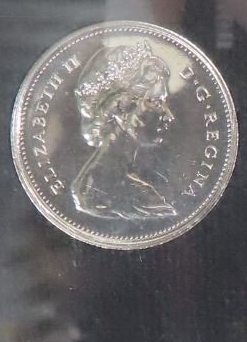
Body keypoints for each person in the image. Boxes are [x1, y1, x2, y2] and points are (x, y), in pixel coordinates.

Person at [69, 38, 177, 223]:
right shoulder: (130, 195)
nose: (169, 116)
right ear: (123, 112)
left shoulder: (95, 187)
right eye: (156, 102)